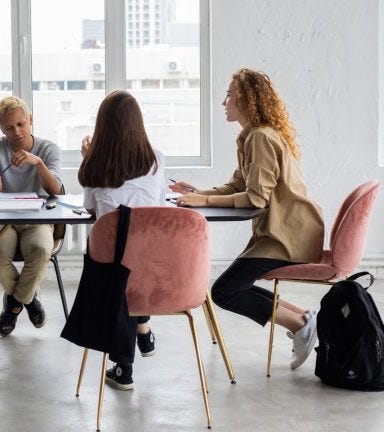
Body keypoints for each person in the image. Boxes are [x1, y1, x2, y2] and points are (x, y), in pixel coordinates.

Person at [170, 68, 325, 369]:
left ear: (245, 99)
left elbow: (255, 199)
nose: (223, 102)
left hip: (289, 236)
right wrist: (198, 192)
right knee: (232, 285)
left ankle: (299, 325)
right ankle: (305, 317)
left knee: (224, 291)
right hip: (281, 233)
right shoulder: (252, 136)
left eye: (229, 95)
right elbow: (238, 185)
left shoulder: (261, 138)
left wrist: (204, 200)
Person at [79, 90, 167, 390]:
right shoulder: (156, 159)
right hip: (152, 261)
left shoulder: (96, 165)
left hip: (108, 268)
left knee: (120, 268)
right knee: (133, 263)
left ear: (102, 126)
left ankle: (124, 368)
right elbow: (157, 205)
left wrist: (87, 159)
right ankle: (142, 328)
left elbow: (90, 209)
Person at [0, 96, 63, 337]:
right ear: (1, 128)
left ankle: (14, 304)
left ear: (30, 120)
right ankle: (29, 299)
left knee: (40, 250)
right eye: (9, 127)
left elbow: (55, 190)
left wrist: (37, 163)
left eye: (21, 124)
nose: (16, 131)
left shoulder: (47, 149)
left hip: (38, 219)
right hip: (1, 219)